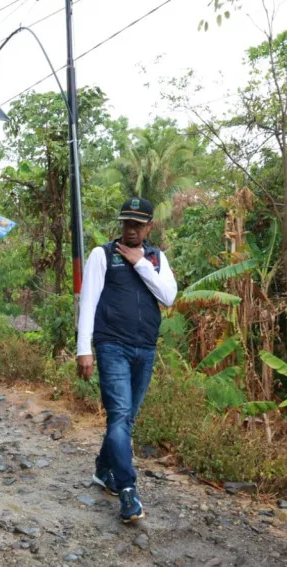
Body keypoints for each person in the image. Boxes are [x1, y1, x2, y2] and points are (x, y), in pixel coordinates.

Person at [76, 197, 177, 523]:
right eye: (126, 223)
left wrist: (141, 263)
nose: (131, 230)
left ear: (149, 227)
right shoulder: (102, 255)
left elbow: (169, 296)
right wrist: (84, 349)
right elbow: (88, 302)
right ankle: (128, 489)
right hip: (112, 346)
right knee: (119, 415)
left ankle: (103, 469)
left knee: (127, 419)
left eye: (138, 224)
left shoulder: (156, 258)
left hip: (145, 348)